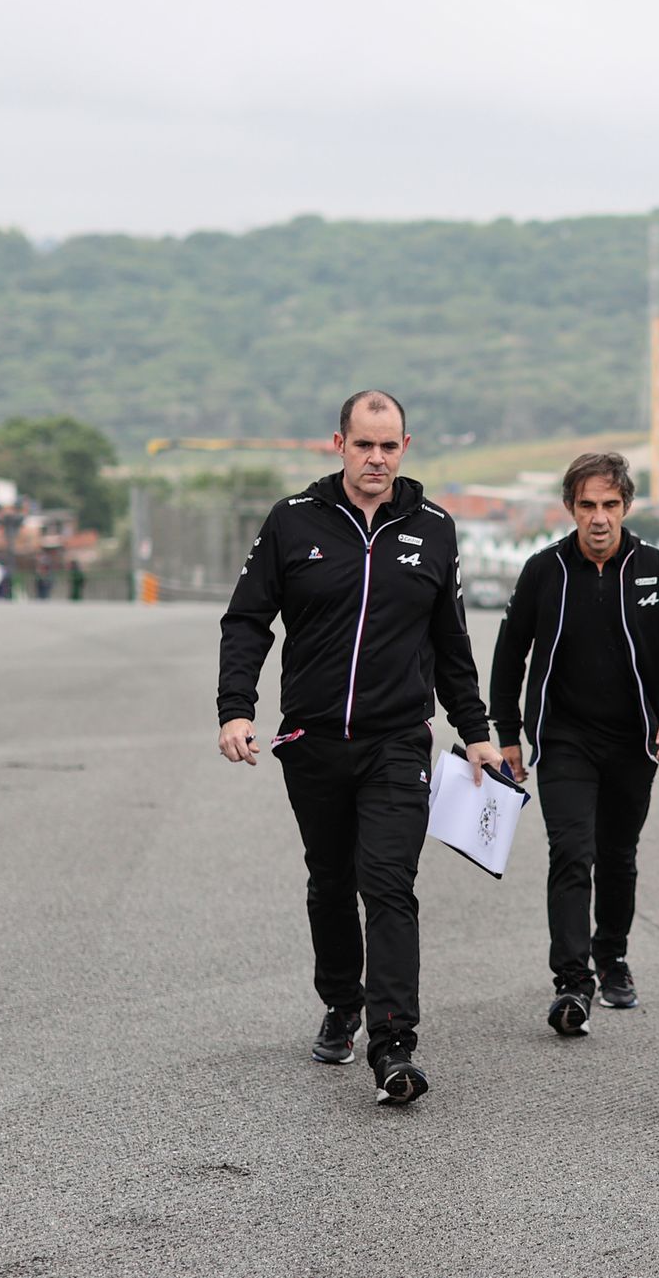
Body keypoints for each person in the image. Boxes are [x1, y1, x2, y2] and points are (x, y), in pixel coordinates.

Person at [217, 389, 502, 1106]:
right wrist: (236, 710)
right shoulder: (293, 520)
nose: (377, 458)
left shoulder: (434, 528)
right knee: (330, 880)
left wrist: (476, 732)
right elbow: (247, 620)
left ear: (405, 448)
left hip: (396, 742)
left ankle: (394, 1044)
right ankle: (342, 1002)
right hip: (312, 740)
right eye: (364, 444)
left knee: (388, 883)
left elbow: (452, 640)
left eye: (389, 445)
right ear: (338, 444)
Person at [488, 452, 659, 1037]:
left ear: (626, 506)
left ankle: (613, 957)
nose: (598, 518)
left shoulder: (656, 569)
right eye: (587, 505)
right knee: (572, 853)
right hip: (564, 740)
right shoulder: (544, 570)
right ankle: (573, 981)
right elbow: (510, 655)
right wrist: (508, 735)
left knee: (618, 855)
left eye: (609, 504)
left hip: (634, 741)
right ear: (570, 508)